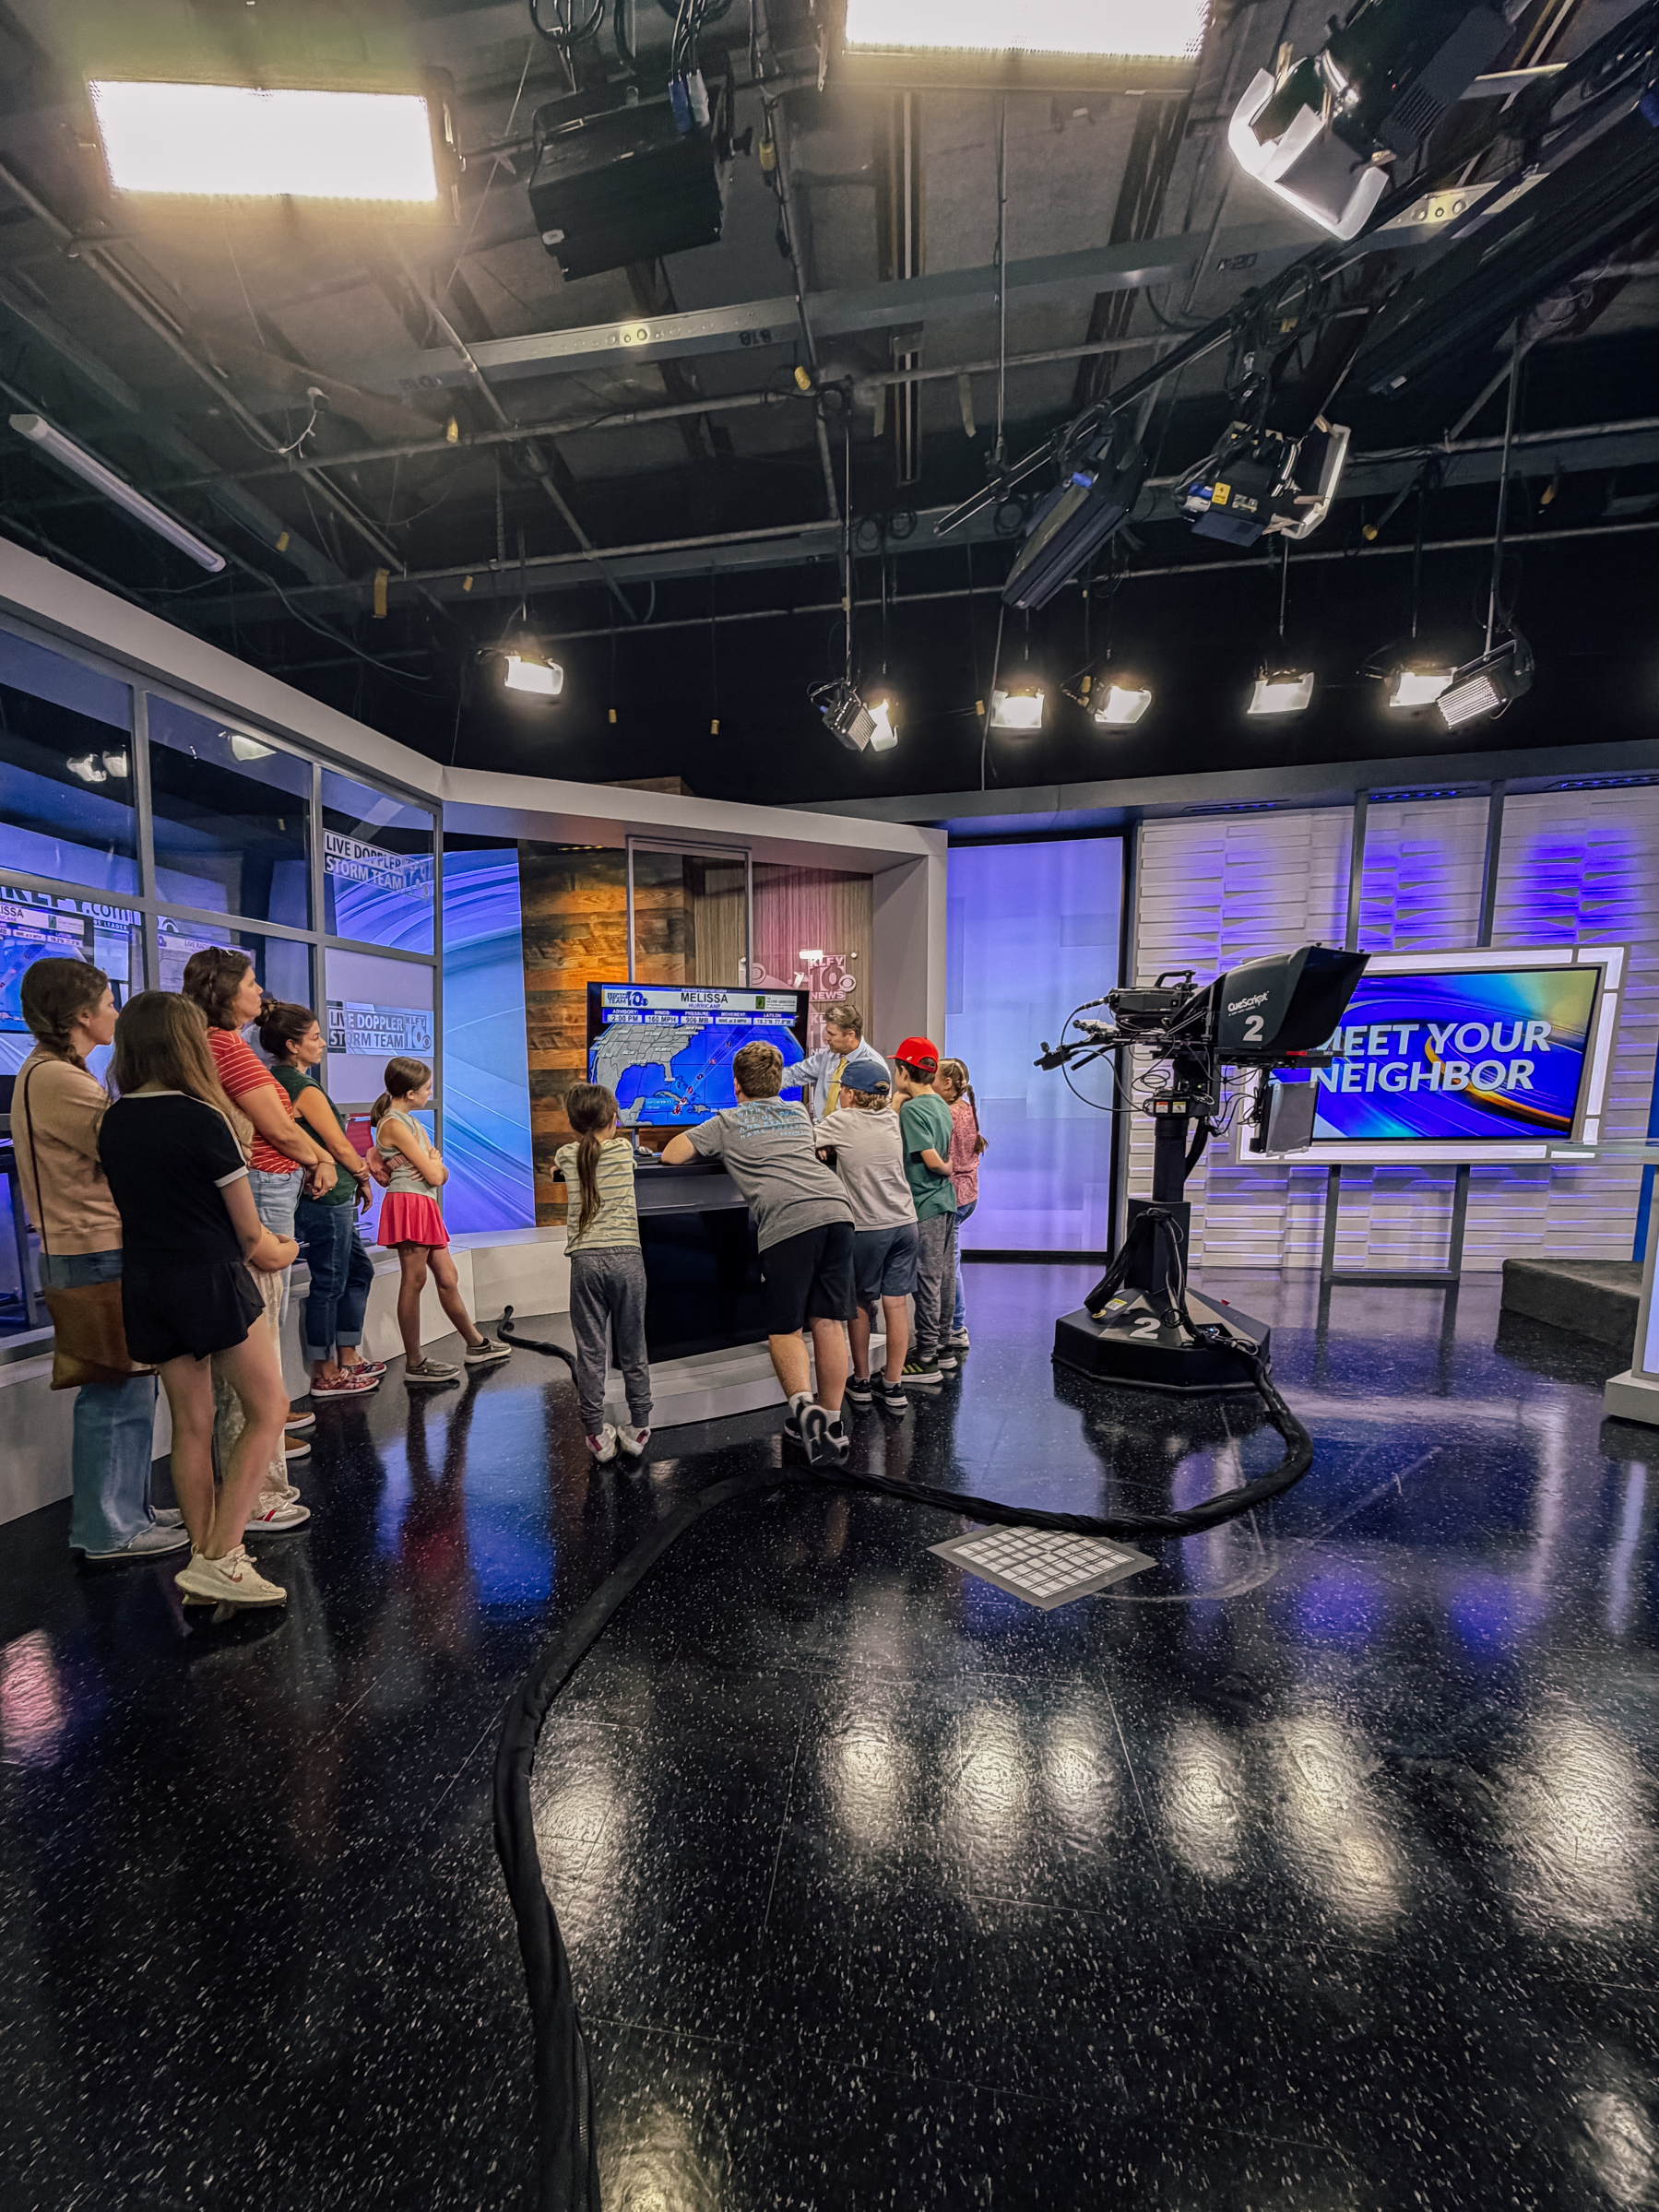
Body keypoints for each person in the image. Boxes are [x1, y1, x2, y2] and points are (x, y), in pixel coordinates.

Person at [97, 992, 297, 1609]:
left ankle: (206, 1558)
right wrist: (282, 1250)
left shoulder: (115, 1118)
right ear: (184, 1043)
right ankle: (222, 1554)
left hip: (147, 1282)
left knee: (191, 1421)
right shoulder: (200, 1117)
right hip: (210, 1279)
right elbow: (245, 1230)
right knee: (269, 1407)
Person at [12, 959, 185, 1563]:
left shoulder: (56, 1072)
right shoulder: (59, 1079)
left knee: (128, 1388)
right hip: (91, 1251)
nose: (117, 1012)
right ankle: (110, 1525)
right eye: (109, 1002)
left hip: (96, 1247)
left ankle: (127, 1508)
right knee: (115, 1392)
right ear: (81, 1014)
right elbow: (125, 1149)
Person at [182, 947, 333, 1521]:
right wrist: (320, 1159)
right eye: (250, 981)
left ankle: (253, 1490)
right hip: (264, 1193)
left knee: (255, 1352)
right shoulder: (224, 1046)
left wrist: (312, 1155)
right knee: (259, 1355)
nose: (259, 989)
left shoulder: (216, 1047)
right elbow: (276, 1127)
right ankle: (260, 1497)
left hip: (265, 1191)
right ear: (225, 991)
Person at [660, 1038, 854, 1466]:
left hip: (789, 1222)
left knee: (785, 1330)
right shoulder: (799, 1113)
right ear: (779, 1081)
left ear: (736, 1084)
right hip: (837, 1212)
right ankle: (832, 1423)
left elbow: (673, 1155)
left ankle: (804, 1411)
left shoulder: (727, 1120)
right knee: (829, 1321)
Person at [258, 1001, 385, 1402]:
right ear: (293, 1045)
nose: (323, 1044)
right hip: (325, 1198)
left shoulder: (277, 1080)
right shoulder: (301, 1087)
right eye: (315, 1038)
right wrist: (363, 1175)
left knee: (356, 1271)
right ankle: (325, 1371)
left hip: (333, 1195)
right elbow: (338, 1145)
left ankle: (347, 1356)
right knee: (330, 1280)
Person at [371, 1056, 511, 1388]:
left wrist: (436, 1168)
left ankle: (476, 1344)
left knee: (447, 1277)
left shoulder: (411, 1123)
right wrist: (435, 1167)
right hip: (410, 1203)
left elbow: (439, 1172)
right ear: (409, 1093)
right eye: (426, 1088)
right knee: (414, 1280)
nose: (430, 1093)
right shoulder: (393, 1124)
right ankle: (414, 1362)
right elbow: (435, 1172)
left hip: (423, 1203)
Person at [813, 1048, 916, 1417]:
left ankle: (859, 1380)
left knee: (858, 1303)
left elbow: (808, 1140)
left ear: (852, 1094)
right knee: (897, 1303)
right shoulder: (890, 1119)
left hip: (868, 1227)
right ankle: (893, 1383)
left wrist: (824, 1143)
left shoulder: (842, 1120)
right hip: (906, 1222)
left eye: (841, 1089)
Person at [555, 1083, 652, 1464]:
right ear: (615, 1120)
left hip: (585, 1262)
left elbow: (564, 1162)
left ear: (573, 1123)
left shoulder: (566, 1154)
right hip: (627, 1258)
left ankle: (596, 1435)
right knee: (633, 1346)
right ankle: (639, 1426)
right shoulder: (624, 1149)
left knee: (591, 1352)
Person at [892, 1035, 958, 1387]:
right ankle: (944, 1347)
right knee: (945, 1276)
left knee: (927, 1280)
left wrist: (896, 1103)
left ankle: (927, 1357)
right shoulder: (940, 1105)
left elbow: (931, 1160)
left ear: (904, 1071)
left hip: (925, 1203)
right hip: (944, 1203)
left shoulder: (913, 1110)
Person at [937, 1058, 987, 1354]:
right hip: (970, 1195)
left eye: (934, 1076)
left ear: (947, 1084)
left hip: (953, 1197)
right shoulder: (967, 1108)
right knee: (952, 1260)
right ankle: (955, 1324)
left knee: (950, 1265)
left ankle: (956, 1327)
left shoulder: (949, 1114)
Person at [781, 1001, 867, 1120]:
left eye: (832, 1034)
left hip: (849, 1133)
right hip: (822, 1131)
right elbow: (795, 1074)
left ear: (850, 1035)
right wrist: (759, 1083)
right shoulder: (827, 1057)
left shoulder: (873, 1066)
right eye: (827, 1032)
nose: (826, 1039)